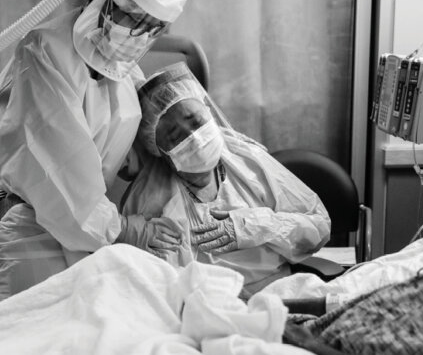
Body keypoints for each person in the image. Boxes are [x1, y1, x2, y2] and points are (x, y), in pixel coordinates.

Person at [0, 0, 191, 302]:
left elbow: (126, 144)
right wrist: (128, 229)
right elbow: (60, 169)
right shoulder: (46, 52)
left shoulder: (124, 67)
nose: (138, 35)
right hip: (38, 237)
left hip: (96, 237)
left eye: (153, 27)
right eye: (132, 15)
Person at [120, 61, 331, 295]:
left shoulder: (249, 162)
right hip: (204, 309)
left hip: (281, 294)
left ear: (208, 113)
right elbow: (152, 285)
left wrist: (254, 226)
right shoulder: (150, 201)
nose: (196, 139)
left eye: (196, 122)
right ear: (158, 149)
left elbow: (318, 228)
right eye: (176, 136)